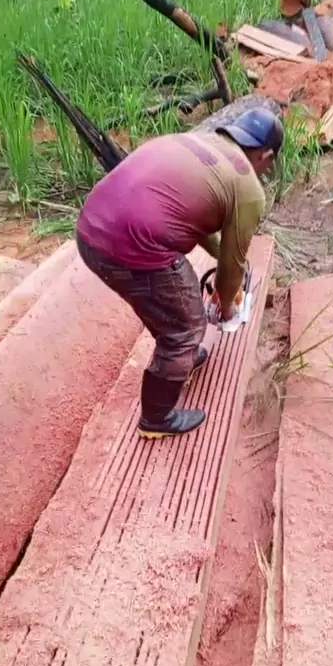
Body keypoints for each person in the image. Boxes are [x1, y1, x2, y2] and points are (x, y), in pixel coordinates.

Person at [76, 107, 284, 440]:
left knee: (167, 303)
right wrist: (227, 306)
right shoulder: (248, 188)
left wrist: (225, 261)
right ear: (267, 156)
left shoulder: (199, 142)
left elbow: (192, 217)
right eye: (270, 164)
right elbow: (231, 266)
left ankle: (180, 355)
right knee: (187, 325)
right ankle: (157, 417)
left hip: (90, 230)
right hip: (129, 246)